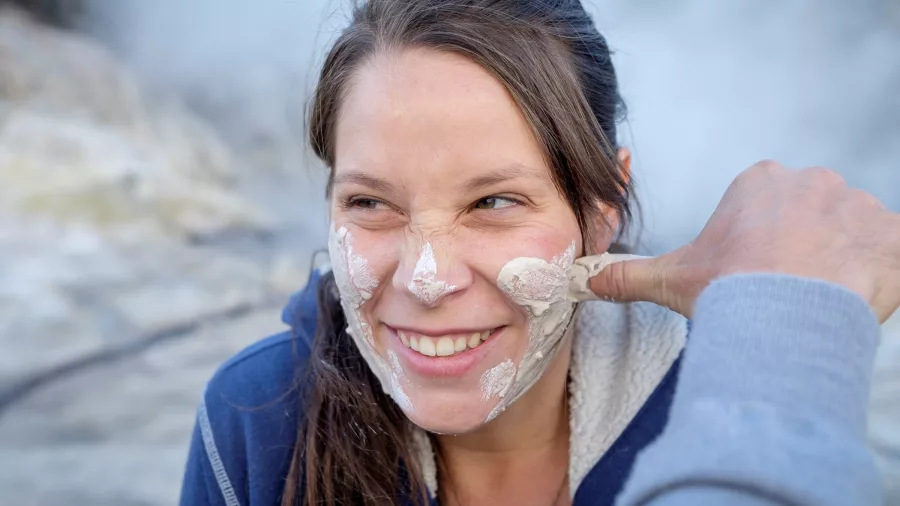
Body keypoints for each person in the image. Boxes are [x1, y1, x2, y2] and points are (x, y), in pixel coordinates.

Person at [179, 1, 900, 505]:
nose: (428, 279)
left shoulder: (719, 403)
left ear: (603, 204)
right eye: (370, 203)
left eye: (494, 203)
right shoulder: (255, 418)